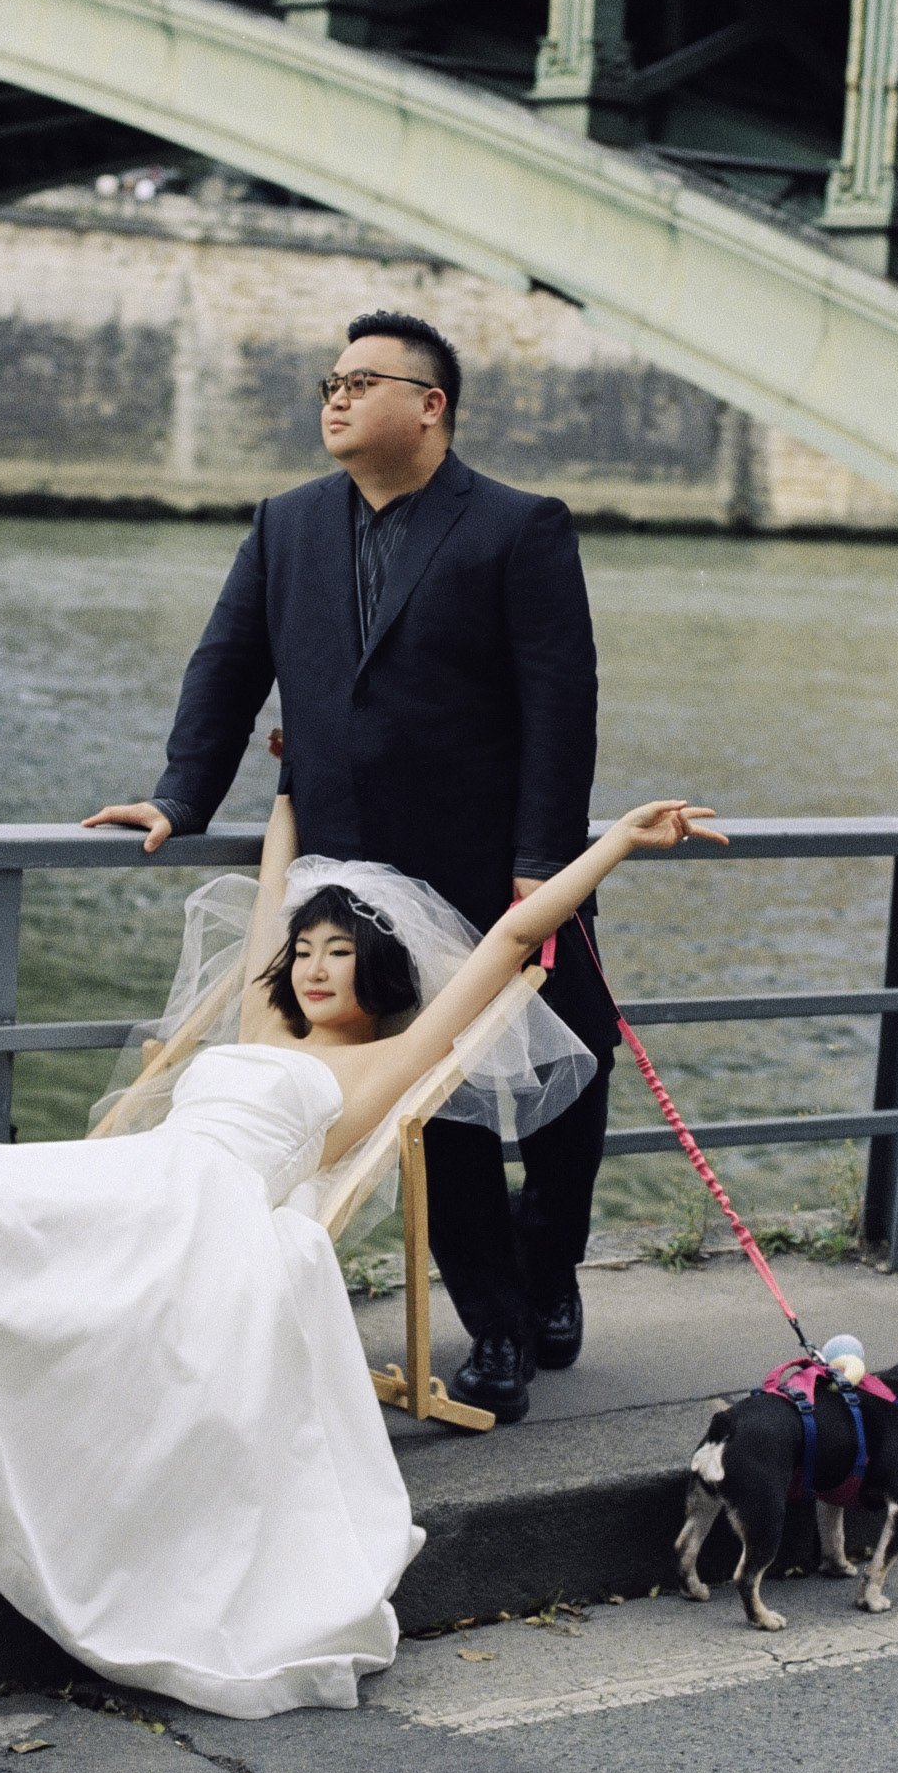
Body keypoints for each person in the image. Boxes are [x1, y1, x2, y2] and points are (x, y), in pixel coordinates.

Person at [0, 793, 721, 1722]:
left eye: (339, 953)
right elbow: (273, 884)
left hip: (203, 1215)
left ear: (382, 971)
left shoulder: (390, 1059)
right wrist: (285, 788)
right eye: (305, 951)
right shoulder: (259, 1020)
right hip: (141, 1171)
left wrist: (619, 841)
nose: (312, 967)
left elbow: (513, 935)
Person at [83, 309, 618, 1425]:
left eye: (362, 380)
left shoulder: (518, 527)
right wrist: (181, 796)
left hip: (501, 872)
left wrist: (540, 859)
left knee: (575, 1073)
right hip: (354, 881)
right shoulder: (286, 524)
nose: (334, 395)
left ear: (430, 406)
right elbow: (228, 665)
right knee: (435, 1104)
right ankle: (498, 1328)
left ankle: (550, 1264)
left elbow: (561, 702)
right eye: (330, 380)